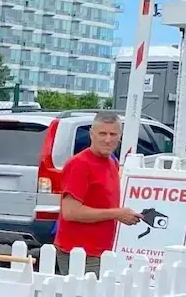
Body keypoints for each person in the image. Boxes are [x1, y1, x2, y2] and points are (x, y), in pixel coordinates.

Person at [55, 111, 141, 276]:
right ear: (92, 134)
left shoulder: (112, 162)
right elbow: (71, 212)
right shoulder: (79, 164)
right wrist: (117, 214)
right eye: (102, 133)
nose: (108, 139)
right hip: (79, 251)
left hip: (103, 250)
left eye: (113, 134)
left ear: (120, 136)